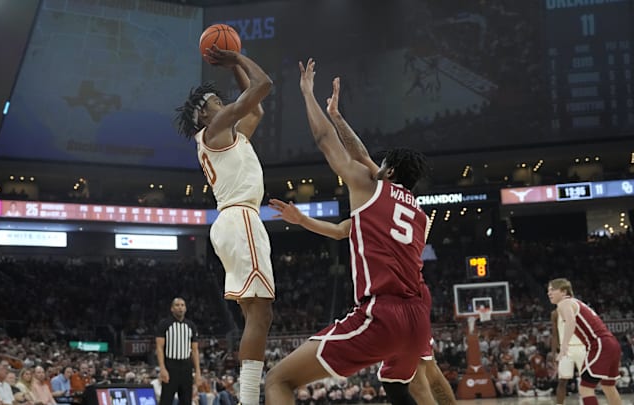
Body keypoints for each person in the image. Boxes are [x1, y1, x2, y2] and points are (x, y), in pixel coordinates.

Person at [268, 74, 456, 405]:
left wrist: (307, 94)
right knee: (411, 382)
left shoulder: (369, 188)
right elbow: (345, 229)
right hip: (418, 312)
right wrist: (338, 116)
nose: (371, 164)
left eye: (379, 165)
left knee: (278, 380)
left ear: (390, 172)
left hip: (384, 312)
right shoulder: (419, 215)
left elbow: (325, 140)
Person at [174, 44, 273, 405]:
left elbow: (256, 106)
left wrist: (233, 68)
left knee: (255, 312)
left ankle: (249, 396)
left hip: (234, 221)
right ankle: (249, 399)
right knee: (261, 311)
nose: (221, 101)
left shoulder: (229, 135)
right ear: (204, 114)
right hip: (240, 218)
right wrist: (238, 59)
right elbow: (263, 85)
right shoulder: (215, 128)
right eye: (215, 99)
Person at [547, 278, 622, 405]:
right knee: (608, 386)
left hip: (599, 344)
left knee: (585, 388)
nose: (549, 293)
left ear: (564, 291)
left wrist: (564, 346)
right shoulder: (576, 302)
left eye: (553, 290)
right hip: (611, 344)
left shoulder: (564, 303)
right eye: (548, 290)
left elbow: (571, 322)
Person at [155, 297, 202, 405]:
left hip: (186, 366)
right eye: (177, 305)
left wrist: (198, 372)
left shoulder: (191, 326)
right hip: (170, 365)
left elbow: (195, 351)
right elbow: (159, 348)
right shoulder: (165, 324)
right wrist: (162, 368)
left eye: (182, 305)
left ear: (185, 308)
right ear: (172, 308)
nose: (180, 308)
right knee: (166, 400)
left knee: (186, 401)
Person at [551, 307, 585, 405]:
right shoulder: (555, 313)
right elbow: (554, 335)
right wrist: (553, 354)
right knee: (562, 381)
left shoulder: (578, 309)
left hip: (581, 346)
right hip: (565, 349)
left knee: (587, 380)